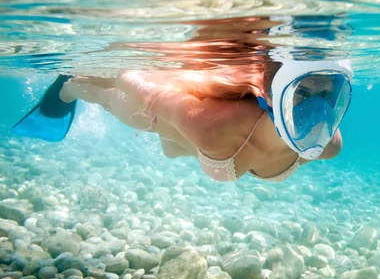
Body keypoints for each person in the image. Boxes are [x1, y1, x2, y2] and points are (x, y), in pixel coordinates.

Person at [12, 49, 353, 182]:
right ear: (271, 96)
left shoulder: (328, 143)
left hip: (191, 140)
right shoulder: (214, 126)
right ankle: (69, 86)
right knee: (105, 98)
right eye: (302, 94)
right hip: (164, 121)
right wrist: (105, 73)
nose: (317, 112)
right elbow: (148, 94)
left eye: (328, 95)